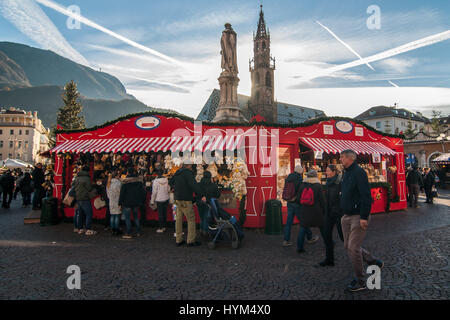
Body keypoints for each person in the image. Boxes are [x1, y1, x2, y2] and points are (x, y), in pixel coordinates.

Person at [340, 149, 383, 292]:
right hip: (346, 215)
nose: (340, 160)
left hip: (358, 216)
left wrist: (364, 216)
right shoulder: (346, 173)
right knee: (348, 246)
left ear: (349, 158)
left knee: (353, 247)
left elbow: (365, 195)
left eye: (342, 157)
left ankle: (361, 280)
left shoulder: (359, 172)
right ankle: (373, 261)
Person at [171, 163, 204, 247]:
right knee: (191, 219)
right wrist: (201, 194)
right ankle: (191, 240)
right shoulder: (188, 173)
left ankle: (178, 240)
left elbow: (170, 181)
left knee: (178, 220)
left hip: (177, 199)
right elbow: (194, 185)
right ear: (188, 165)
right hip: (186, 199)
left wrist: (174, 188)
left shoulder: (177, 172)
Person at [319, 165, 344, 267]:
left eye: (328, 171)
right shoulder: (329, 182)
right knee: (326, 235)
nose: (326, 173)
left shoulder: (339, 182)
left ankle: (367, 258)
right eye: (326, 171)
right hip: (329, 213)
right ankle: (329, 259)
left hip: (339, 213)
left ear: (334, 172)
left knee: (345, 239)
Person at [296, 170, 324, 253]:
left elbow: (298, 199)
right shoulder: (318, 185)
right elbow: (322, 200)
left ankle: (299, 247)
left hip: (305, 210)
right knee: (322, 227)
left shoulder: (302, 185)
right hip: (316, 211)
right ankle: (328, 243)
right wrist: (324, 210)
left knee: (302, 228)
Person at [119, 167, 145, 239]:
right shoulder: (139, 181)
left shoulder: (125, 181)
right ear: (134, 172)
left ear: (128, 172)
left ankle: (129, 232)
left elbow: (122, 193)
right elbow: (142, 192)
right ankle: (138, 231)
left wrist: (120, 202)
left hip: (127, 202)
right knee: (136, 217)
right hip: (136, 201)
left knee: (127, 218)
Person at [282, 165, 304, 247]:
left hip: (289, 202)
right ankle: (310, 237)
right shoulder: (299, 179)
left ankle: (286, 240)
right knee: (303, 221)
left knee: (288, 222)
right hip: (296, 202)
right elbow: (300, 191)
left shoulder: (289, 178)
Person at [72, 166, 97, 236]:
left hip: (78, 198)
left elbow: (72, 185)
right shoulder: (86, 178)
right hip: (85, 198)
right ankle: (88, 229)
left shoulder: (77, 177)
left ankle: (80, 228)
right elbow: (89, 188)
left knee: (80, 214)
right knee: (89, 213)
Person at [197, 171, 221, 236]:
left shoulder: (199, 184)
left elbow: (196, 193)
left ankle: (201, 230)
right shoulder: (213, 185)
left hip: (199, 203)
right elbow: (218, 195)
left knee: (201, 217)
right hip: (208, 203)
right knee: (205, 217)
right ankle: (205, 230)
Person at [151, 169, 171, 233]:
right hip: (166, 198)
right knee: (164, 213)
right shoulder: (166, 180)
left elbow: (154, 192)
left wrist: (152, 201)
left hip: (159, 199)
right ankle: (164, 226)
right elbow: (168, 189)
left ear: (156, 174)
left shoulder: (155, 181)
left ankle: (160, 228)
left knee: (160, 214)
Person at [106, 171, 122, 236]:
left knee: (112, 216)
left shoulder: (109, 183)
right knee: (117, 216)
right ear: (116, 176)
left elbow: (108, 193)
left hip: (111, 201)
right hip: (117, 200)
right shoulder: (119, 183)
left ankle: (112, 229)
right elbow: (120, 192)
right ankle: (116, 229)